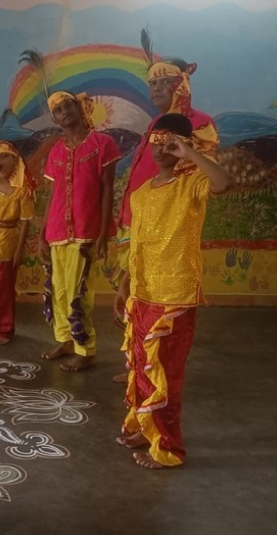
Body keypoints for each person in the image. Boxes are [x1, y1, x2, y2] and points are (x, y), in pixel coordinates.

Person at [113, 113, 234, 469]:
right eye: (156, 140)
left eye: (170, 142)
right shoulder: (141, 194)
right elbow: (137, 244)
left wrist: (190, 154)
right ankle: (146, 427)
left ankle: (168, 448)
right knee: (141, 367)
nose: (161, 148)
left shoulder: (192, 183)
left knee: (166, 372)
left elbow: (224, 182)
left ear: (183, 145)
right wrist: (125, 285)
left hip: (174, 295)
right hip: (142, 292)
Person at [111, 30, 220, 383]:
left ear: (182, 84)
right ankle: (136, 364)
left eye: (164, 82)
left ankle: (152, 371)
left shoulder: (198, 123)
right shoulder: (155, 124)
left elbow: (203, 175)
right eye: (152, 84)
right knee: (133, 294)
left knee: (156, 301)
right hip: (139, 218)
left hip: (168, 224)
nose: (156, 89)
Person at [38, 91, 120, 371]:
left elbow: (107, 190)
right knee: (58, 292)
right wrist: (42, 234)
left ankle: (86, 350)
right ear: (55, 119)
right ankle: (65, 340)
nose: (65, 111)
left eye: (68, 105)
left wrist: (102, 234)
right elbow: (53, 196)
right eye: (58, 110)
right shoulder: (56, 151)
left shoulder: (102, 144)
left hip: (86, 231)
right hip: (56, 232)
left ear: (80, 108)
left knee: (78, 294)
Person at [0, 140, 35, 345]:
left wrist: (20, 250)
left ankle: (4, 329)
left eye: (4, 156)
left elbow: (26, 221)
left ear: (14, 160)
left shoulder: (22, 190)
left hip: (7, 243)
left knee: (3, 288)